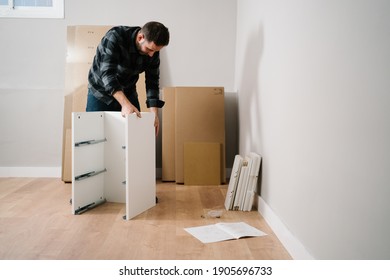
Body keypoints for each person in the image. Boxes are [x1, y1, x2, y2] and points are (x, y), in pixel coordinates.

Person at [86, 21, 170, 136]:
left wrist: (154, 114)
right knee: (94, 135)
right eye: (150, 49)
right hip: (100, 91)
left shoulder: (153, 52)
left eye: (156, 51)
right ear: (140, 37)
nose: (152, 55)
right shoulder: (115, 37)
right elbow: (107, 74)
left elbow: (152, 82)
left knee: (133, 136)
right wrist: (125, 104)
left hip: (128, 90)